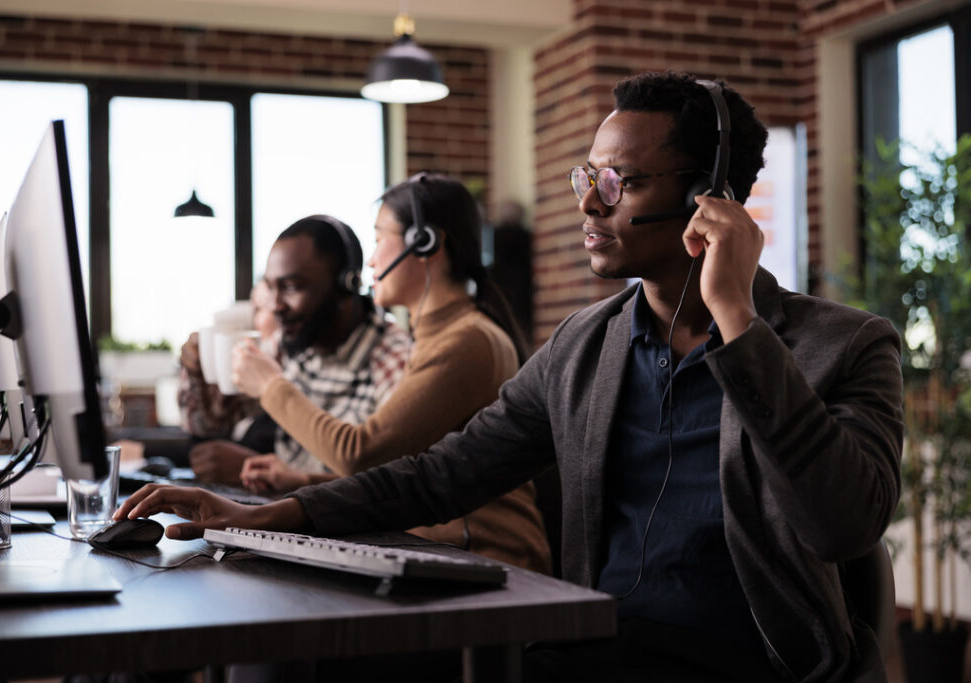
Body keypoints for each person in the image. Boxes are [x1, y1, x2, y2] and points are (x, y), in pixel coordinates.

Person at [117, 72, 903, 683]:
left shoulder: (848, 346)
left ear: (711, 199)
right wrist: (263, 514)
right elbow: (440, 475)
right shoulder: (584, 345)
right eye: (586, 177)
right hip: (592, 644)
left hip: (749, 663)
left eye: (620, 183)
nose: (589, 206)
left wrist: (738, 321)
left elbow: (842, 524)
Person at [230, 174, 549, 574]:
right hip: (443, 551)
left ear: (425, 243)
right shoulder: (440, 336)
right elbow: (412, 474)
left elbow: (361, 453)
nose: (372, 260)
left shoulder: (468, 341)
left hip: (491, 559)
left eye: (381, 239)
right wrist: (302, 480)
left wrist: (270, 386)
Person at [177, 216, 411, 485]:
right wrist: (198, 374)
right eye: (270, 287)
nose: (275, 306)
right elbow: (212, 426)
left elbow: (395, 485)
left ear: (347, 284)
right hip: (282, 518)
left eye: (290, 287)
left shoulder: (394, 358)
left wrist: (293, 480)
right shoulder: (288, 345)